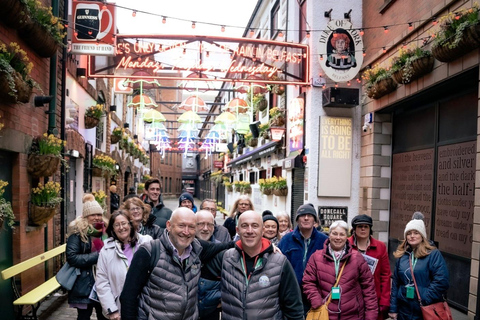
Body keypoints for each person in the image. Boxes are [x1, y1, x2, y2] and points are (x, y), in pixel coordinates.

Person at [120, 207, 232, 320]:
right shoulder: (149, 252)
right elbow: (128, 297)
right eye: (181, 225)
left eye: (192, 227)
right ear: (169, 225)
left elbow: (225, 246)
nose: (186, 232)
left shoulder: (197, 249)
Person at [207, 210, 304, 320]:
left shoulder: (279, 262)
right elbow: (197, 264)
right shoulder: (226, 258)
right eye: (244, 226)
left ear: (262, 230)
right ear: (237, 230)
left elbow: (294, 308)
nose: (249, 231)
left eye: (255, 226)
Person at [303, 220, 378, 320]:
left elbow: (368, 289)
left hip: (353, 315)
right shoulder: (316, 257)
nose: (338, 237)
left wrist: (371, 316)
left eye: (342, 234)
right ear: (329, 235)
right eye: (334, 233)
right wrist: (316, 301)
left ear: (346, 237)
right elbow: (308, 281)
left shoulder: (357, 258)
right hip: (325, 314)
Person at [389, 212, 449, 320]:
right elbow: (396, 283)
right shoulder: (402, 255)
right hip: (404, 310)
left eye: (416, 233)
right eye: (409, 233)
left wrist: (424, 298)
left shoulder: (433, 254)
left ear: (422, 236)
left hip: (424, 309)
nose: (412, 236)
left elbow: (441, 281)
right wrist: (393, 308)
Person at [95, 210, 152, 319]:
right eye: (117, 225)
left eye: (124, 223)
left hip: (146, 307)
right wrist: (111, 310)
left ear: (130, 224)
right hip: (121, 310)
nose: (121, 228)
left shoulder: (146, 243)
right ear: (112, 229)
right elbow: (102, 282)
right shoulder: (106, 251)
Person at [278, 203, 328, 315]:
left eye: (309, 215)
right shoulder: (286, 240)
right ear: (297, 219)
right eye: (302, 215)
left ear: (314, 220)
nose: (306, 218)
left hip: (316, 295)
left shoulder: (324, 241)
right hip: (291, 295)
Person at [66, 194, 108, 320]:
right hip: (84, 283)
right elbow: (72, 257)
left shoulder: (105, 232)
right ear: (85, 216)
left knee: (104, 316)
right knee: (84, 317)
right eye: (93, 215)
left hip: (102, 281)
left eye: (99, 214)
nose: (97, 218)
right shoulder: (78, 232)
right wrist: (98, 256)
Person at [348, 214, 391, 320]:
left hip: (373, 296)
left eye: (366, 226)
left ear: (370, 229)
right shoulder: (346, 244)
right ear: (354, 229)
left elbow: (385, 275)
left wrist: (385, 300)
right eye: (360, 226)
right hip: (350, 297)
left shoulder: (380, 246)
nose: (363, 229)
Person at [196, 210, 222, 320]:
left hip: (212, 310)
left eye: (210, 225)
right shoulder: (184, 247)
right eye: (201, 224)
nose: (205, 228)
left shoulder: (222, 249)